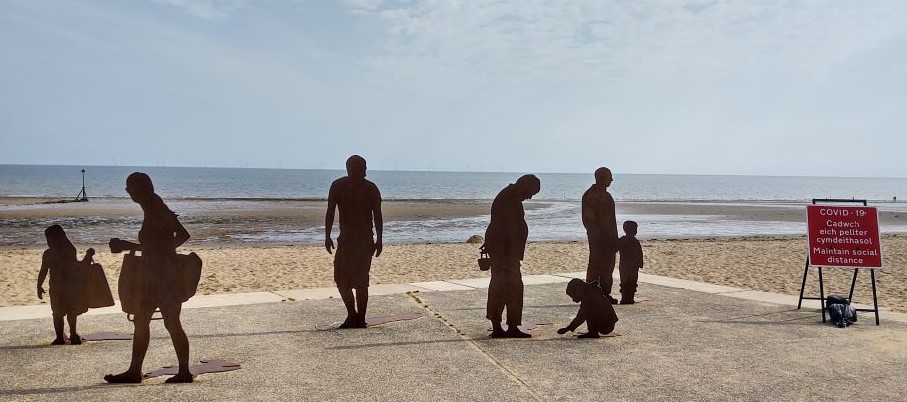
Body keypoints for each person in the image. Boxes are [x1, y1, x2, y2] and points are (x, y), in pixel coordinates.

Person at [105, 172, 194, 384]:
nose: (128, 191)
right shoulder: (156, 206)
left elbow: (157, 246)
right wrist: (166, 253)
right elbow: (181, 235)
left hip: (159, 278)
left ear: (142, 189)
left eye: (130, 187)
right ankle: (138, 370)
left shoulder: (155, 209)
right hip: (159, 274)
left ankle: (177, 372)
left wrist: (128, 246)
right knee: (149, 321)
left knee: (164, 322)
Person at [325, 155, 383, 328]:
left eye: (362, 169)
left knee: (361, 281)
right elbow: (330, 211)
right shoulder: (338, 186)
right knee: (340, 278)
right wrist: (327, 236)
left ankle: (360, 318)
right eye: (356, 169)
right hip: (346, 239)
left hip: (364, 240)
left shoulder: (371, 189)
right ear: (349, 170)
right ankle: (352, 314)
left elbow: (378, 216)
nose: (361, 172)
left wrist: (379, 239)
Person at [482, 174, 540, 338]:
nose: (529, 197)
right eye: (531, 193)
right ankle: (500, 326)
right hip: (504, 253)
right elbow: (502, 227)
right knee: (503, 287)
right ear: (524, 186)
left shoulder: (511, 196)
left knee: (511, 287)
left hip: (508, 252)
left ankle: (510, 325)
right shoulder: (508, 198)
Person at [37, 225, 92, 345]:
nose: (48, 242)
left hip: (57, 288)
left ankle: (60, 337)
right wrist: (88, 256)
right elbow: (79, 267)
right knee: (71, 311)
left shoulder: (49, 253)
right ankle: (73, 335)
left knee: (57, 313)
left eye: (48, 239)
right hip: (71, 287)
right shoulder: (70, 251)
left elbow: (43, 271)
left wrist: (39, 286)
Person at [582, 167, 618, 304]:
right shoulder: (592, 195)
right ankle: (594, 294)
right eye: (609, 177)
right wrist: (601, 236)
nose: (612, 180)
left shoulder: (604, 195)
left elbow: (611, 221)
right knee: (597, 265)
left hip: (606, 238)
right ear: (601, 178)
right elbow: (590, 220)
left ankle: (603, 293)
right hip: (600, 239)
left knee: (606, 267)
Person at [618, 220, 643, 305]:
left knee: (628, 281)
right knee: (628, 281)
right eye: (634, 229)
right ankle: (627, 298)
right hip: (629, 265)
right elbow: (640, 253)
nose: (635, 231)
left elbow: (639, 253)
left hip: (628, 265)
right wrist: (640, 262)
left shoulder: (624, 240)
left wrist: (640, 262)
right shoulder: (633, 241)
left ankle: (627, 298)